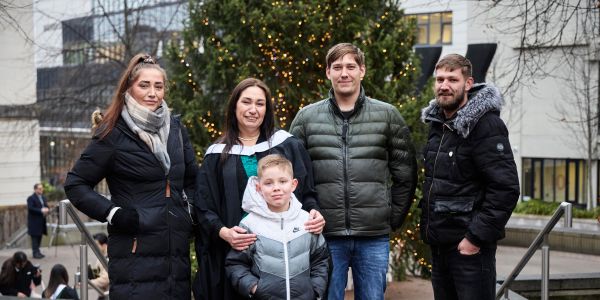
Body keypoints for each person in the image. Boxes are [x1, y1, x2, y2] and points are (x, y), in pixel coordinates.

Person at [289, 42, 418, 300]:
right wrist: (305, 215)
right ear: (328, 72)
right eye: (337, 67)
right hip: (324, 235)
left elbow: (406, 174)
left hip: (373, 237)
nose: (344, 73)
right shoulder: (306, 118)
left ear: (362, 71)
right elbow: (292, 175)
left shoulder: (387, 115)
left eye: (350, 66)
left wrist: (391, 218)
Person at [64, 53, 198, 300]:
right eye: (144, 85)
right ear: (129, 88)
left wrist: (186, 214)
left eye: (158, 86)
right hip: (135, 255)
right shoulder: (113, 133)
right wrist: (115, 214)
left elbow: (191, 180)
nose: (152, 93)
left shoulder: (176, 129)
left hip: (175, 255)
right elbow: (75, 184)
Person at [193, 78, 326, 300]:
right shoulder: (216, 155)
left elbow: (307, 192)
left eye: (260, 103)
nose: (253, 109)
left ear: (267, 109)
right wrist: (224, 233)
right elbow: (203, 206)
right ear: (234, 106)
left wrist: (315, 212)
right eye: (246, 102)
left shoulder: (287, 145)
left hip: (286, 260)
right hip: (236, 255)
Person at [419, 53, 520, 300]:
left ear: (468, 83)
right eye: (439, 79)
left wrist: (474, 239)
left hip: (470, 252)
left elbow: (505, 189)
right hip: (441, 247)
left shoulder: (486, 126)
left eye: (452, 79)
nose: (444, 86)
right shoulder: (438, 125)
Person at [225, 154, 329, 299]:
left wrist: (315, 290)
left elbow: (320, 260)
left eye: (282, 181)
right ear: (258, 187)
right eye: (268, 183)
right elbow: (236, 264)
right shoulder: (250, 224)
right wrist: (254, 287)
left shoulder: (307, 221)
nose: (276, 188)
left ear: (293, 185)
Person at [27, 183, 49, 259]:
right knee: (35, 238)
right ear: (35, 189)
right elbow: (31, 208)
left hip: (42, 221)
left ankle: (38, 252)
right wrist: (41, 210)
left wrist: (46, 209)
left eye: (42, 188)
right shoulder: (31, 198)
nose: (41, 190)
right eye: (39, 188)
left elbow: (46, 206)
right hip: (34, 222)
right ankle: (35, 253)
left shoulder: (43, 197)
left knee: (39, 236)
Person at [90, 233, 109, 299]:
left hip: (108, 294)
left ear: (104, 245)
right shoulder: (102, 255)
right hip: (103, 293)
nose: (94, 247)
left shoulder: (108, 258)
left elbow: (105, 279)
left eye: (96, 245)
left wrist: (88, 283)